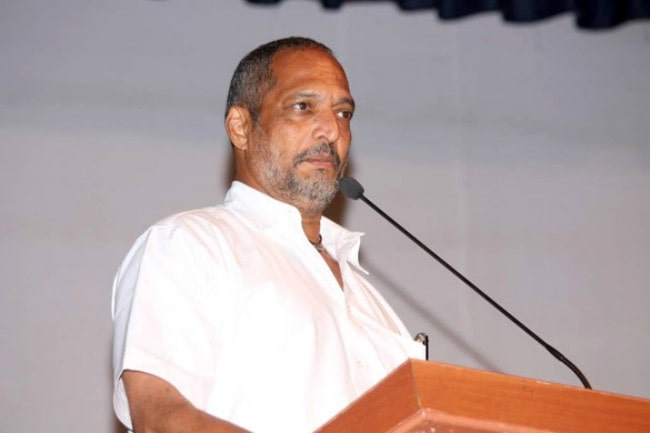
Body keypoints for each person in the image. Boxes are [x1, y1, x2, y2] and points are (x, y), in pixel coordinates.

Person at [112, 36, 425, 433]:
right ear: (241, 127)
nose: (331, 129)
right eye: (303, 107)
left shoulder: (367, 298)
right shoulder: (190, 245)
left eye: (343, 113)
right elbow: (162, 419)